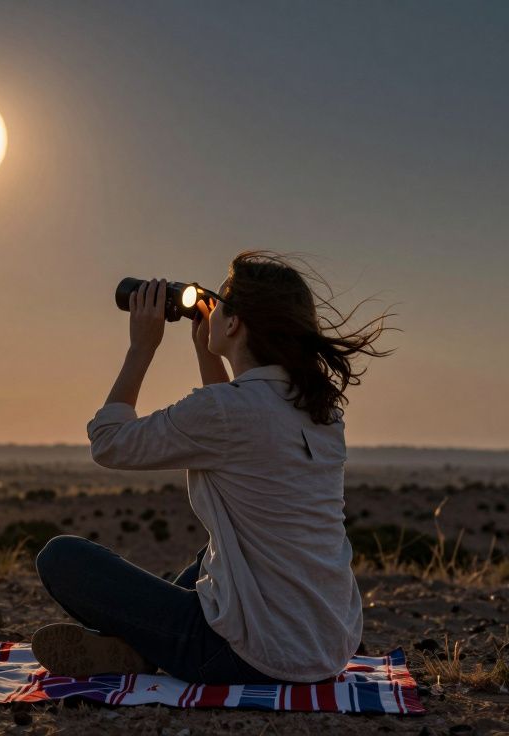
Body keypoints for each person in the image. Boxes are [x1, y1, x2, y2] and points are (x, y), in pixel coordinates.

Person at [31, 252, 394, 685]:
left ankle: (141, 647)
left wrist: (141, 348)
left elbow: (109, 443)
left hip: (246, 655)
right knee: (219, 552)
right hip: (326, 647)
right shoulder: (322, 412)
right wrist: (208, 351)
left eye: (220, 302)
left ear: (236, 323)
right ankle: (138, 647)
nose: (212, 309)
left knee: (61, 557)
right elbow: (236, 428)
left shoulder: (224, 412)